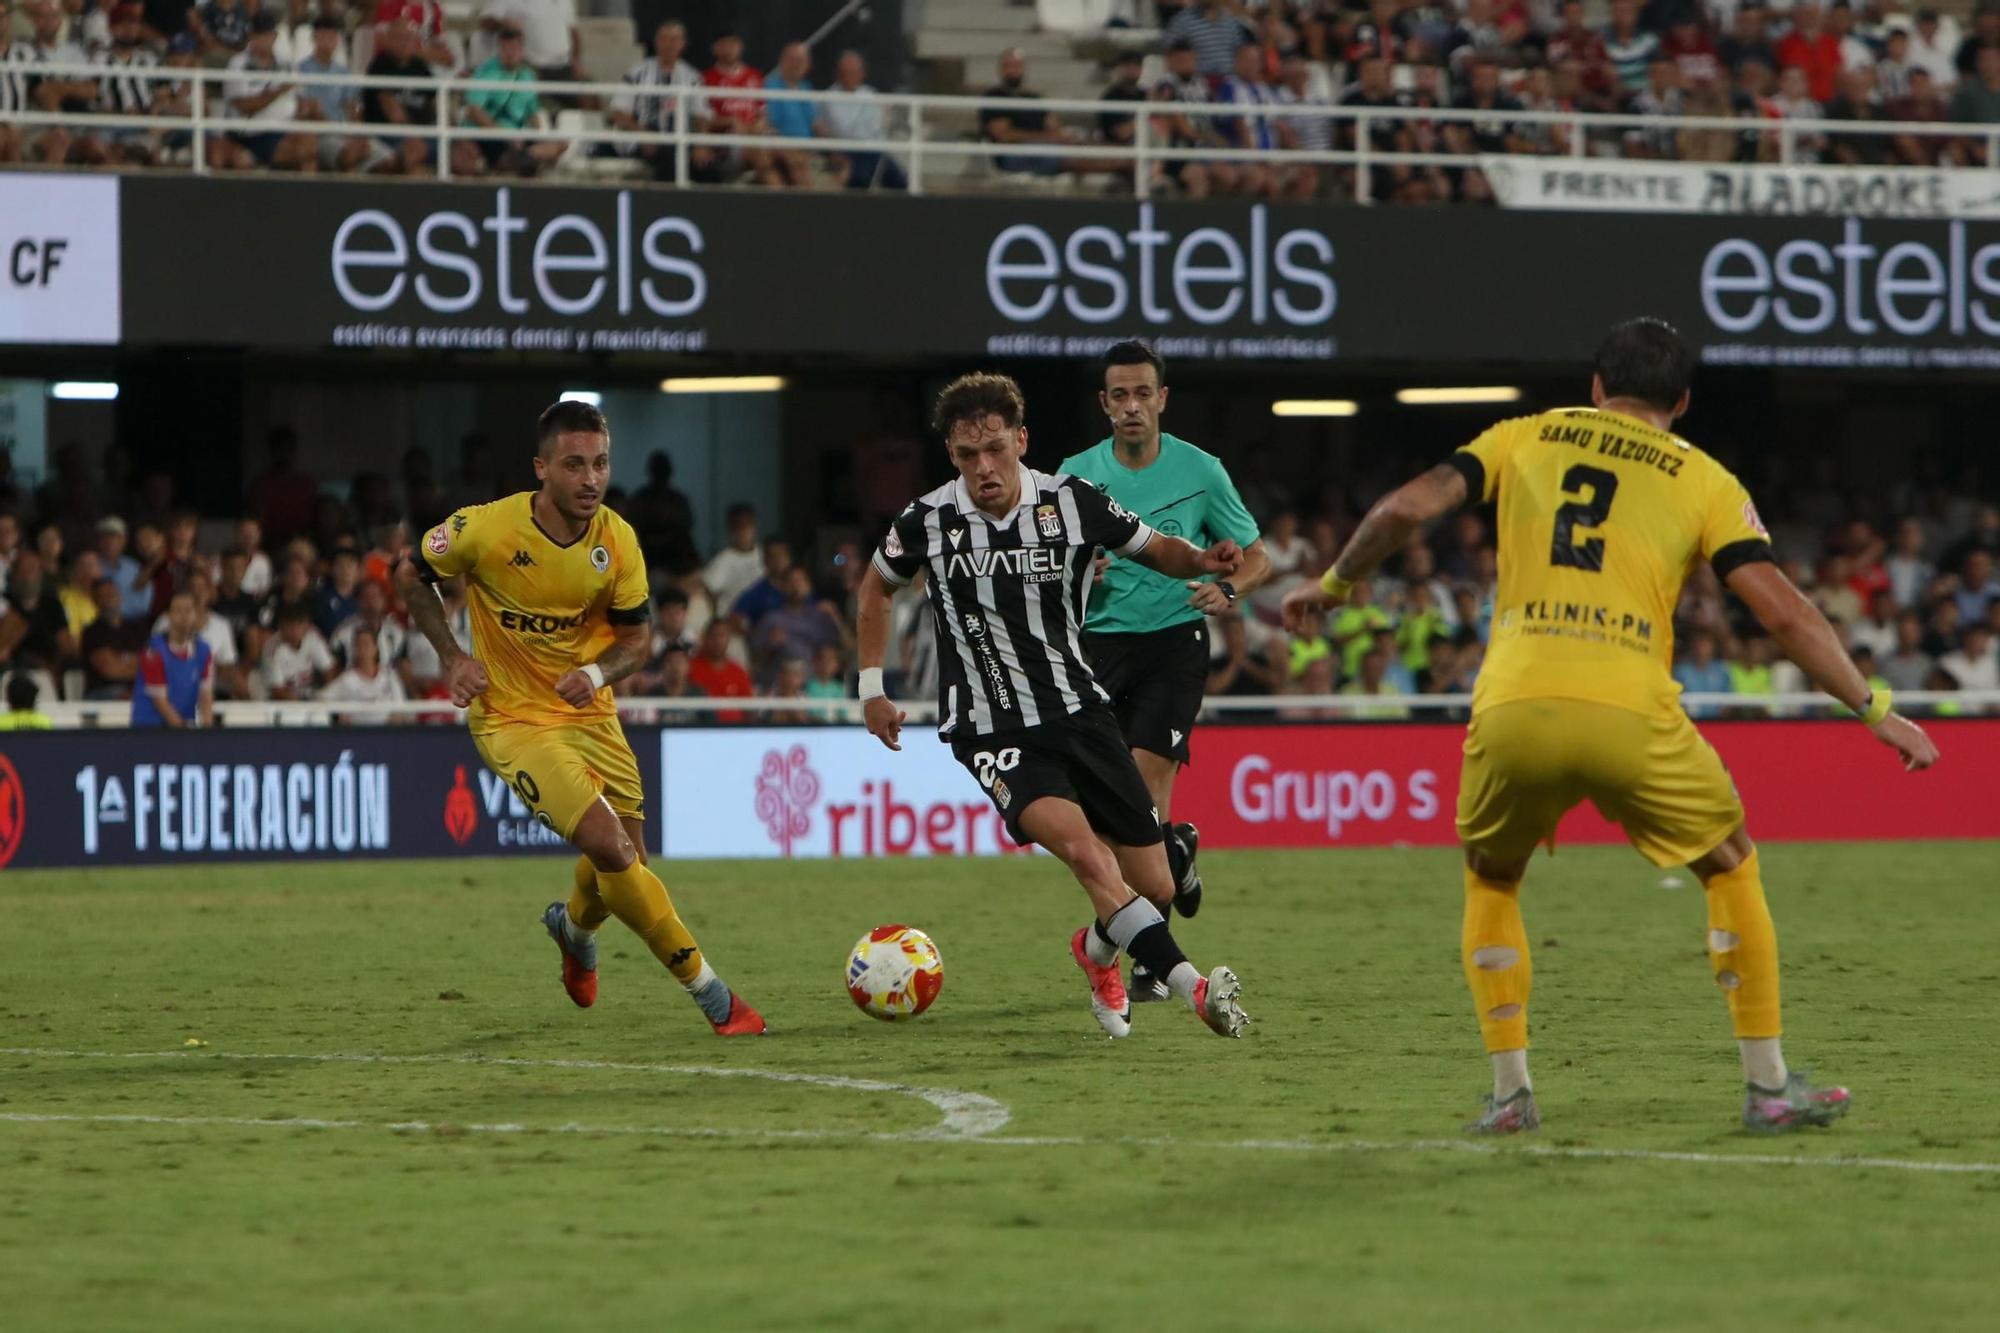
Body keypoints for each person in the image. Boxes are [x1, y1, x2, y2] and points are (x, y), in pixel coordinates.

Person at [1282, 318, 1938, 1134]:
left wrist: (1338, 583)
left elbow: (1405, 508)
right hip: (1630, 703)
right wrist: (1875, 709)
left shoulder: (1521, 435)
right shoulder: (1705, 478)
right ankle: (1769, 1088)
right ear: (1683, 402)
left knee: (1492, 878)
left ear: (1596, 387)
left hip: (1516, 702)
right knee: (1730, 864)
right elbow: (1784, 614)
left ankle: (1510, 1095)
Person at [855, 372, 1251, 1042]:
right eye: (966, 456)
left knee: (1152, 883)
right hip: (992, 729)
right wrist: (872, 689)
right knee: (1089, 859)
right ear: (950, 456)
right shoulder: (925, 521)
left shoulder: (1072, 502)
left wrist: (1205, 560)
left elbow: (1159, 549)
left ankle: (1096, 954)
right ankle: (1198, 989)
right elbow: (874, 592)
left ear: (1022, 440)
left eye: (996, 450)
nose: (983, 468)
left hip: (1080, 711)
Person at [397, 400, 764, 1036]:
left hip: (589, 712)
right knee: (611, 848)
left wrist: (593, 676)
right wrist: (453, 656)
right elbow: (409, 572)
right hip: (514, 720)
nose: (590, 478)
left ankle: (572, 928)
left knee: (631, 862)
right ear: (542, 468)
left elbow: (637, 640)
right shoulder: (485, 529)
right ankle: (713, 994)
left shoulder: (617, 540)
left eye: (599, 464)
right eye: (574, 465)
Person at [1058, 340, 1272, 1001]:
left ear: (1162, 399)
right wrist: (1077, 569)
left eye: (1141, 393)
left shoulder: (1202, 470)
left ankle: (1148, 961)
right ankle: (1174, 856)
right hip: (1096, 648)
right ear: (1104, 404)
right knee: (1107, 817)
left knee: (1144, 795)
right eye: (1118, 395)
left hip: (1174, 645)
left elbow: (1255, 553)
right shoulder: (1074, 476)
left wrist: (1231, 588)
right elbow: (1049, 563)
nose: (1130, 406)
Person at [132, 589, 214, 729]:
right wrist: (184, 732)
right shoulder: (153, 650)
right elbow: (160, 702)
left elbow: (205, 695)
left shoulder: (203, 650)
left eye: (188, 610)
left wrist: (207, 731)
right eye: (178, 610)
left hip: (183, 729)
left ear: (196, 614)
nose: (183, 616)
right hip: (149, 731)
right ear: (168, 616)